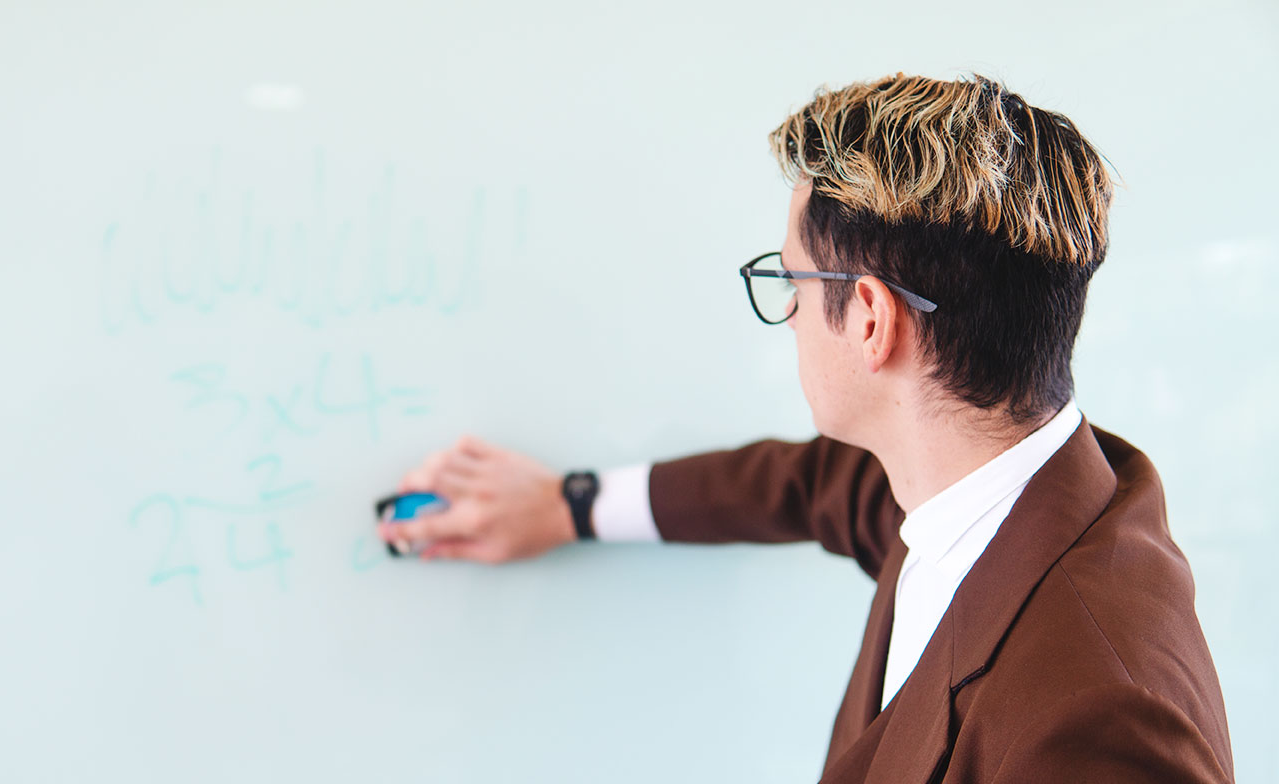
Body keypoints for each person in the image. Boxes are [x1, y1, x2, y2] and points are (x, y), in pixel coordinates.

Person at [379, 73, 1234, 782]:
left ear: (869, 320)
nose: (786, 314)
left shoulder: (1095, 716)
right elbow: (806, 486)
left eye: (790, 282)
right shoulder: (980, 487)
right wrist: (568, 506)